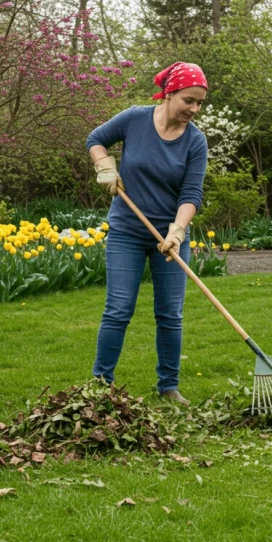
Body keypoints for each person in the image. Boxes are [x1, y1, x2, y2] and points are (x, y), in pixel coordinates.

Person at [85, 61, 209, 405]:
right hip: (126, 230)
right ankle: (100, 383)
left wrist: (178, 231)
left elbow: (191, 195)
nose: (194, 109)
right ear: (169, 94)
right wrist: (105, 166)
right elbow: (96, 139)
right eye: (188, 100)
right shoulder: (135, 118)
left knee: (170, 313)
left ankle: (168, 387)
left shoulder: (195, 142)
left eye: (199, 103)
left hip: (169, 236)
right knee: (119, 308)